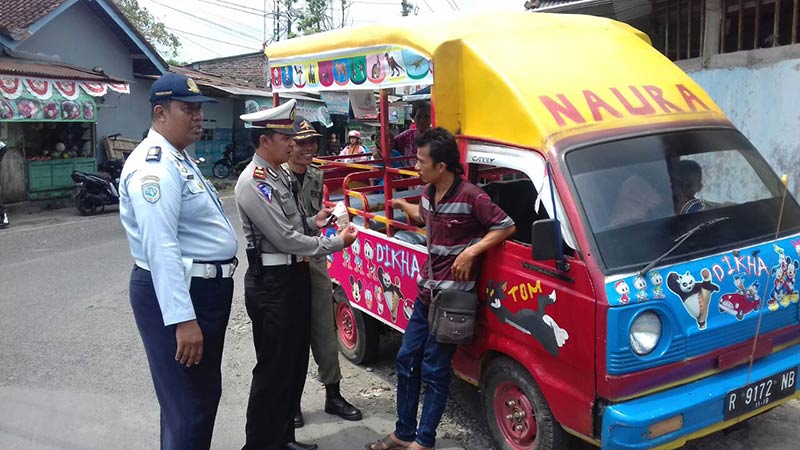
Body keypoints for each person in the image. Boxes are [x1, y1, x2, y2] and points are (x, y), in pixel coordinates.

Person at [368, 127, 516, 450]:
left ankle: (424, 441)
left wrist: (470, 252)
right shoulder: (427, 193)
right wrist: (402, 206)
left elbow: (505, 225)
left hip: (453, 303)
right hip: (426, 295)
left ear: (442, 166)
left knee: (435, 370)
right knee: (406, 361)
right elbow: (425, 219)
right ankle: (403, 432)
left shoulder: (472, 197)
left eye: (421, 162)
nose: (416, 167)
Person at [118, 73, 239, 450]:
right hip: (182, 293)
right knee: (190, 405)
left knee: (191, 400)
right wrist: (183, 319)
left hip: (202, 289)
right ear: (160, 112)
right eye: (188, 108)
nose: (198, 116)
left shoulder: (178, 157)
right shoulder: (154, 167)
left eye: (200, 109)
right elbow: (162, 245)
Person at [235, 99, 359, 450]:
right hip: (272, 283)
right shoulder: (254, 181)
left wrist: (315, 222)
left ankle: (282, 439)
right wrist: (336, 242)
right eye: (285, 137)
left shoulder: (273, 175)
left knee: (290, 364)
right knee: (272, 370)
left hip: (289, 280)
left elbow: (292, 226)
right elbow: (285, 239)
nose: (293, 144)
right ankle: (259, 444)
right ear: (265, 141)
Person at [284, 116, 363, 428]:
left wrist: (327, 218)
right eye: (302, 142)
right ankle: (292, 402)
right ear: (288, 145)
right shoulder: (275, 178)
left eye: (312, 142)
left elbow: (311, 217)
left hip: (315, 260)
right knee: (292, 337)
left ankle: (334, 395)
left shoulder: (316, 175)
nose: (309, 148)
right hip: (287, 263)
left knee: (324, 331)